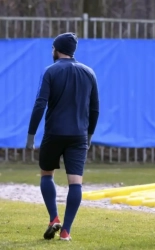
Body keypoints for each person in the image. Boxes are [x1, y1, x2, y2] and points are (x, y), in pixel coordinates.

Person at [26, 32, 99, 240]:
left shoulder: (50, 71)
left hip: (54, 133)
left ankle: (53, 218)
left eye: (52, 48)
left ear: (57, 50)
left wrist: (31, 133)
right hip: (78, 136)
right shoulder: (89, 72)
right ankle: (66, 231)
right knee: (76, 183)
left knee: (46, 174)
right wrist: (90, 134)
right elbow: (95, 109)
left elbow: (40, 103)